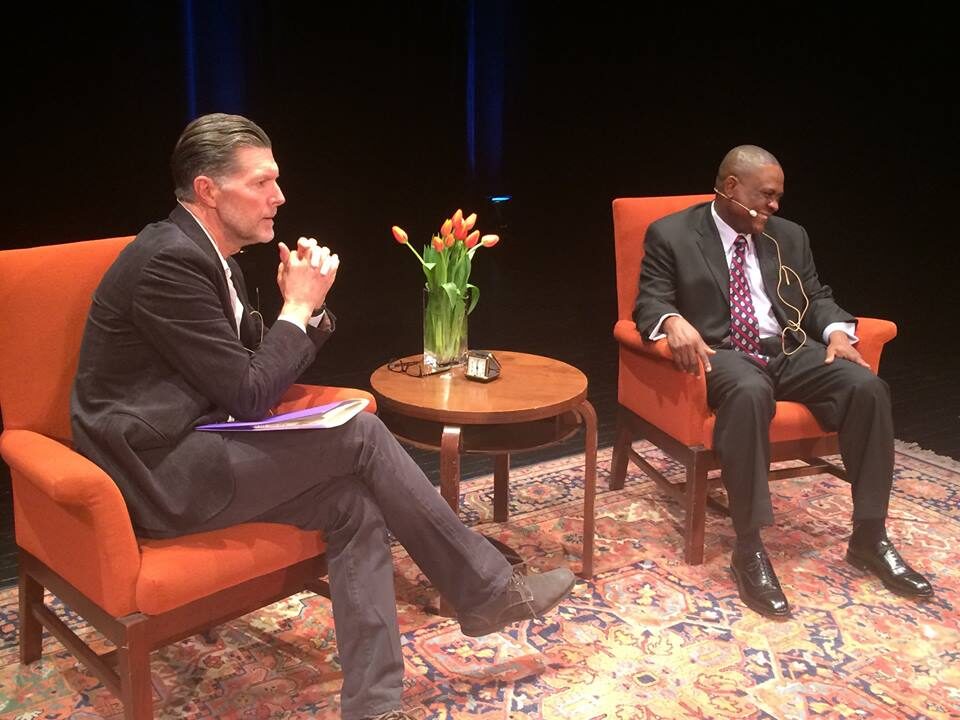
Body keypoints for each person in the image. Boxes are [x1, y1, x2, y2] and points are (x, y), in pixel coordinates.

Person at [70, 113, 575, 720]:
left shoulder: (213, 255)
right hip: (156, 471)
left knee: (351, 503)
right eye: (261, 182)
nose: (278, 197)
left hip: (202, 442)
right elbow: (251, 393)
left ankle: (374, 701)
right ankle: (487, 591)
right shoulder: (167, 263)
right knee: (360, 433)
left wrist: (307, 310)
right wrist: (297, 306)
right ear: (207, 189)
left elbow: (254, 366)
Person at [633, 145, 933, 618]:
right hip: (725, 354)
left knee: (866, 386)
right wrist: (672, 320)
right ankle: (748, 548)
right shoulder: (672, 234)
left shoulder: (789, 236)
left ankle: (870, 536)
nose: (775, 206)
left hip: (787, 351)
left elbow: (815, 296)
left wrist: (835, 332)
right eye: (767, 196)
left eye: (778, 197)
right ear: (731, 188)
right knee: (751, 392)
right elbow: (649, 302)